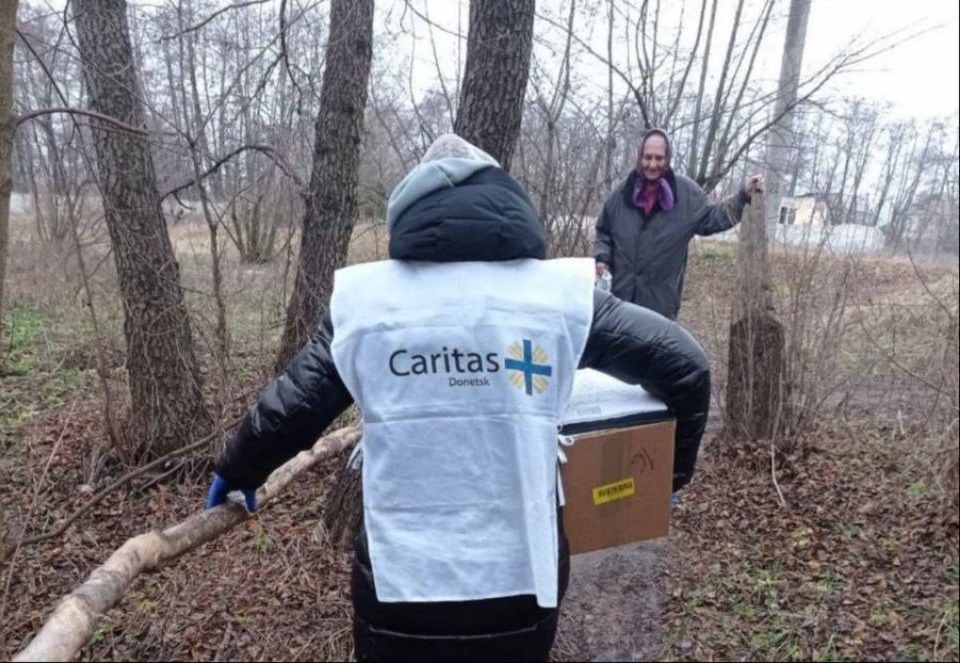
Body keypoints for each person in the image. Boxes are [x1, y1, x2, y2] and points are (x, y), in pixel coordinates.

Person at [207, 134, 712, 662]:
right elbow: (685, 366)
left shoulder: (367, 303)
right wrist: (669, 476)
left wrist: (241, 466)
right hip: (521, 582)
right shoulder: (557, 298)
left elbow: (294, 407)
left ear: (410, 208)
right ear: (503, 201)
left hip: (400, 584)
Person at [593, 128, 765, 320]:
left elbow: (712, 218)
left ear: (667, 159)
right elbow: (603, 231)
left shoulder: (685, 194)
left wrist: (742, 196)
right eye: (647, 157)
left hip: (659, 308)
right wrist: (602, 259)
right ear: (639, 157)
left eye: (659, 158)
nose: (652, 164)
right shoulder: (622, 194)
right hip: (619, 302)